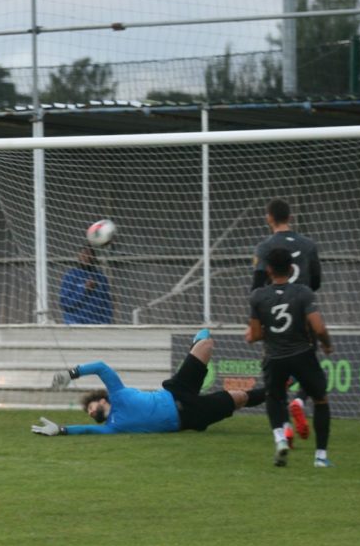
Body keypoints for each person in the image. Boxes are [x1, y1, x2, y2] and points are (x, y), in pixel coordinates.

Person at [31, 329, 266, 436]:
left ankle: (194, 343)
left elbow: (101, 367)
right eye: (90, 413)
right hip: (188, 417)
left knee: (206, 341)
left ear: (103, 400)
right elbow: (86, 430)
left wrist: (72, 373)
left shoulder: (119, 394)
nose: (91, 414)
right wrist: (61, 430)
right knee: (239, 398)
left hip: (176, 391)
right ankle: (277, 388)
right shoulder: (113, 427)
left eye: (91, 408)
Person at [247, 247, 333, 467]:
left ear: (268, 269)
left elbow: (255, 334)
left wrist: (262, 333)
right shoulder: (303, 292)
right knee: (320, 400)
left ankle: (280, 439)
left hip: (274, 358)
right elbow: (318, 327)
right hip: (302, 354)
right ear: (292, 267)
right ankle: (321, 457)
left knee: (274, 398)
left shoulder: (258, 296)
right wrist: (326, 344)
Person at [251, 198, 322, 442]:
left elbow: (256, 284)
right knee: (309, 364)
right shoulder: (308, 244)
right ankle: (301, 400)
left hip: (275, 314)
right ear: (290, 217)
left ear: (269, 217)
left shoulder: (265, 247)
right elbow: (316, 282)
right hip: (303, 310)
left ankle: (284, 427)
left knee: (276, 374)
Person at [59, 246, 113, 324]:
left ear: (94, 258)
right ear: (78, 257)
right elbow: (65, 304)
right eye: (83, 255)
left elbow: (106, 304)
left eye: (88, 255)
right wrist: (84, 289)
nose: (86, 257)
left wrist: (106, 323)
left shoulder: (101, 277)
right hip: (75, 325)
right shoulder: (70, 276)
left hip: (97, 326)